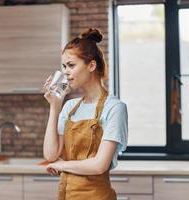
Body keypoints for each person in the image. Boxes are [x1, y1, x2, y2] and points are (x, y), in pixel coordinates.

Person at [42, 28, 128, 200]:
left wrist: (62, 165)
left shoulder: (114, 108)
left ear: (91, 65)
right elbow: (50, 155)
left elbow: (99, 165)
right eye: (64, 66)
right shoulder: (69, 107)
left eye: (71, 65)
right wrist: (55, 106)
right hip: (66, 195)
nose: (66, 72)